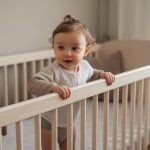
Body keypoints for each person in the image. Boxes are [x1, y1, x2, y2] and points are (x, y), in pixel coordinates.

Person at [29, 15, 115, 150]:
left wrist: (103, 74)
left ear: (85, 50)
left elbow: (93, 74)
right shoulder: (53, 70)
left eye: (74, 48)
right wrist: (54, 88)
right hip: (49, 123)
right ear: (54, 48)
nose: (67, 53)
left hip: (69, 123)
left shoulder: (85, 67)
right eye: (61, 47)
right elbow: (34, 83)